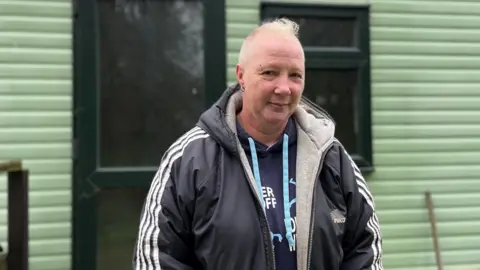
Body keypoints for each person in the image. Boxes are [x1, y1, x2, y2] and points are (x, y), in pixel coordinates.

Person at [133, 18, 383, 270]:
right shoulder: (190, 159)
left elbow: (365, 249)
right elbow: (156, 257)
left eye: (295, 75)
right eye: (269, 73)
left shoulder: (332, 158)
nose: (284, 88)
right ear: (241, 75)